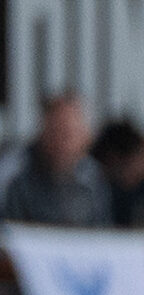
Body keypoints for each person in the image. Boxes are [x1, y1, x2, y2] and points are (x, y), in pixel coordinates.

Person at [0, 91, 109, 227]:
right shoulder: (14, 171)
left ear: (85, 136)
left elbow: (102, 230)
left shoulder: (93, 177)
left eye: (70, 133)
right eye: (57, 130)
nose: (62, 141)